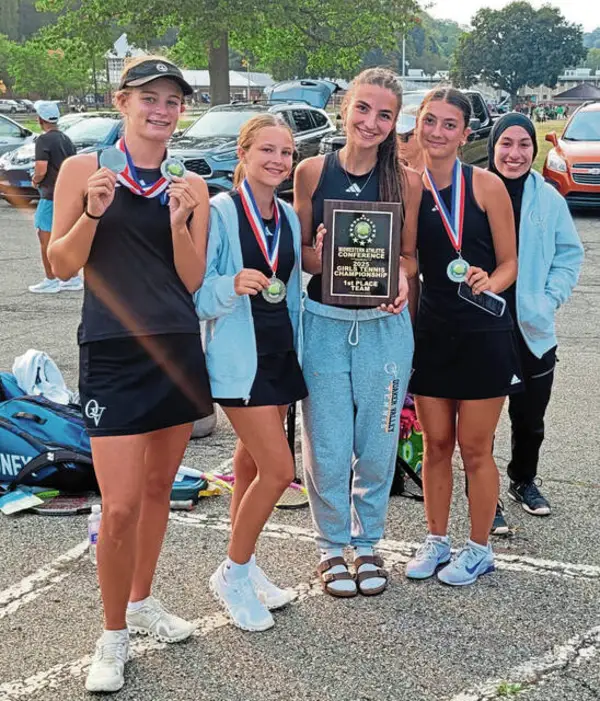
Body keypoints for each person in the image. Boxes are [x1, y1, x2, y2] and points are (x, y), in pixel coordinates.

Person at [47, 56, 213, 693]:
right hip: (113, 350)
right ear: (122, 102)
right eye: (149, 98)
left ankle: (142, 601)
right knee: (117, 507)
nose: (161, 110)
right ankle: (112, 634)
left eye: (172, 101)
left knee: (157, 491)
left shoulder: (189, 183)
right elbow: (61, 265)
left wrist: (178, 224)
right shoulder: (84, 169)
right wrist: (92, 213)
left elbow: (192, 280)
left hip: (174, 346)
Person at [295, 67, 421, 598]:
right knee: (327, 446)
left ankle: (367, 542)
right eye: (363, 109)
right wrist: (321, 255)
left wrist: (401, 278)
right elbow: (300, 254)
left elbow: (409, 256)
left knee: (376, 444)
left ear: (394, 123)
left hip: (382, 328)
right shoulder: (310, 172)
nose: (371, 122)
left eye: (384, 115)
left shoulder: (407, 180)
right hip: (325, 325)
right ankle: (330, 546)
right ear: (345, 108)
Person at [405, 88, 519, 587]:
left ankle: (479, 548)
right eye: (430, 121)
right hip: (432, 332)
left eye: (449, 124)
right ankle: (436, 539)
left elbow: (510, 262)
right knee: (435, 444)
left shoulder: (486, 185)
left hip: (482, 333)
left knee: (475, 448)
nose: (438, 132)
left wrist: (490, 282)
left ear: (465, 133)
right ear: (418, 124)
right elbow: (408, 262)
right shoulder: (410, 187)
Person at [195, 114, 305, 630]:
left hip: (280, 352)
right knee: (279, 471)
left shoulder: (288, 215)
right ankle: (232, 574)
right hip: (241, 361)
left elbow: (293, 284)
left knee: (249, 463)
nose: (278, 161)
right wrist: (229, 284)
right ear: (243, 154)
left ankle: (246, 561)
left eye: (286, 152)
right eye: (267, 150)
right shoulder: (220, 212)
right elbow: (195, 293)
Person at [487, 113, 583, 531]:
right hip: (483, 328)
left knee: (530, 419)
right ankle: (484, 496)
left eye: (523, 144)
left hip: (532, 328)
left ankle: (523, 480)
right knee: (480, 423)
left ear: (534, 148)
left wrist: (548, 300)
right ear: (492, 147)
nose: (515, 153)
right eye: (506, 143)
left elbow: (569, 255)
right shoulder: (474, 193)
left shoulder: (549, 199)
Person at [28, 100, 81, 294]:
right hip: (67, 195)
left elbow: (41, 168)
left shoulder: (43, 140)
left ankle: (51, 279)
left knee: (45, 237)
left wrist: (35, 180)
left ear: (40, 119)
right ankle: (72, 278)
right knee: (66, 237)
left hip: (50, 195)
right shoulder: (66, 139)